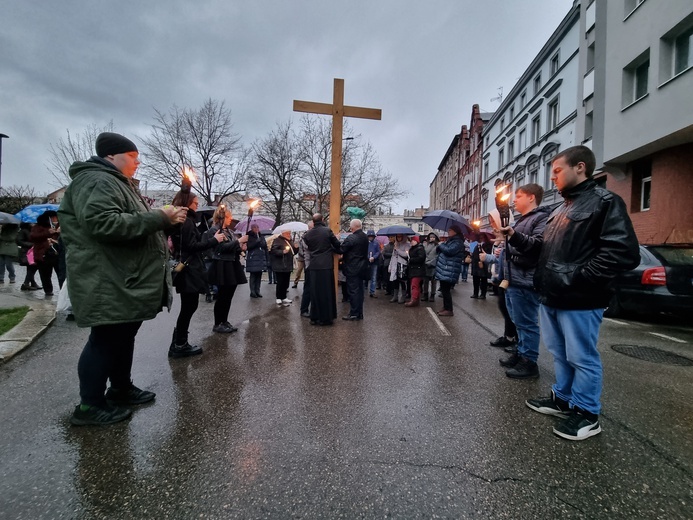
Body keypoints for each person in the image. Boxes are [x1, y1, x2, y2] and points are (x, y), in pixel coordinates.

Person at [59, 131, 188, 426]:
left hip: (122, 279)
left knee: (122, 337)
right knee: (105, 340)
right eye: (132, 156)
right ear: (110, 156)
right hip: (108, 280)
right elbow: (104, 224)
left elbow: (133, 226)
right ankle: (89, 406)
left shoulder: (117, 183)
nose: (137, 162)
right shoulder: (96, 180)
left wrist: (165, 222)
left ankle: (119, 387)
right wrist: (159, 217)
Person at [526, 146, 639, 441]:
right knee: (560, 354)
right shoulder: (560, 208)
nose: (553, 178)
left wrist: (578, 278)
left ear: (580, 167)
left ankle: (587, 413)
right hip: (552, 296)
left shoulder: (605, 201)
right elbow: (544, 250)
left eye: (557, 171)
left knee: (582, 357)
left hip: (579, 299)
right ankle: (563, 399)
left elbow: (623, 252)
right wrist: (514, 238)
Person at [496, 184, 551, 379]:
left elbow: (537, 245)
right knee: (518, 321)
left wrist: (513, 235)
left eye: (518, 196)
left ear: (531, 198)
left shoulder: (542, 218)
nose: (514, 200)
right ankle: (520, 354)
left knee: (527, 323)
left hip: (526, 280)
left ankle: (529, 362)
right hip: (514, 279)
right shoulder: (522, 220)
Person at [169, 189, 225, 357]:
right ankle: (180, 344)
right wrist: (214, 241)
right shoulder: (185, 221)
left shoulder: (187, 221)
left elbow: (192, 242)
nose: (197, 204)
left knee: (189, 306)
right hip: (188, 269)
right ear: (187, 203)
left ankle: (178, 341)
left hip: (189, 268)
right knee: (189, 306)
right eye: (194, 202)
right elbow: (190, 246)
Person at [204, 205, 248, 333]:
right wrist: (238, 241)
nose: (231, 219)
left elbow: (232, 247)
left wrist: (241, 247)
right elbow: (220, 248)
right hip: (222, 265)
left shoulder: (229, 231)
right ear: (222, 217)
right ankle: (218, 323)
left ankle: (224, 320)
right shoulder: (214, 231)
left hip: (232, 264)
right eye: (229, 217)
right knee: (222, 296)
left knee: (229, 295)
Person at [302, 213, 341, 325]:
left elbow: (309, 249)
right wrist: (335, 240)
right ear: (323, 220)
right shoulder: (327, 231)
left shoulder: (307, 235)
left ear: (313, 222)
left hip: (314, 266)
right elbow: (337, 245)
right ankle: (326, 318)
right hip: (326, 265)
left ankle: (315, 317)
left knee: (315, 293)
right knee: (326, 292)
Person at [340, 219, 369, 320]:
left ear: (352, 227)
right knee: (360, 292)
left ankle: (354, 314)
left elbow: (341, 249)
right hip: (362, 267)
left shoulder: (352, 238)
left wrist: (335, 239)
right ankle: (359, 313)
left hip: (353, 267)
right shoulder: (365, 237)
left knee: (353, 292)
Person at [434, 225, 466, 316]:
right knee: (444, 290)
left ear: (455, 231)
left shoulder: (458, 242)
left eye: (450, 230)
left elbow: (449, 251)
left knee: (446, 290)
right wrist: (441, 245)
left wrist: (441, 245)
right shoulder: (451, 241)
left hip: (450, 269)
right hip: (446, 268)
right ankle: (445, 307)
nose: (448, 231)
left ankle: (449, 309)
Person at [29, 211, 61, 295]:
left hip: (56, 253)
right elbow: (33, 237)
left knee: (61, 273)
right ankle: (48, 291)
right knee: (45, 274)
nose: (55, 219)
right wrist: (48, 233)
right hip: (43, 254)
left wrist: (58, 233)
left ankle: (63, 290)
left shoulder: (59, 225)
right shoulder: (38, 227)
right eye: (53, 218)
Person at [270, 229, 295, 305]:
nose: (289, 235)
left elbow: (293, 252)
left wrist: (296, 248)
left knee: (286, 282)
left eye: (290, 233)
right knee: (280, 282)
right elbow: (273, 251)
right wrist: (282, 252)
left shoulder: (290, 241)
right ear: (283, 233)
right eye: (287, 233)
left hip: (288, 265)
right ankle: (278, 297)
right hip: (280, 265)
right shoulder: (277, 240)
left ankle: (284, 296)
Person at [16, 222, 41, 290]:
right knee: (32, 267)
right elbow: (19, 241)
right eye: (32, 223)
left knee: (32, 267)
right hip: (28, 252)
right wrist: (31, 244)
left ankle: (31, 282)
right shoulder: (23, 231)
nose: (33, 224)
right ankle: (26, 284)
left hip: (35, 251)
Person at [245, 223, 267, 298]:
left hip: (260, 258)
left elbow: (265, 246)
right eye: (254, 227)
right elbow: (248, 247)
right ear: (252, 228)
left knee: (259, 275)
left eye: (257, 227)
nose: (256, 229)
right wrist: (256, 242)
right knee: (253, 275)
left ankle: (258, 290)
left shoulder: (261, 236)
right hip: (253, 258)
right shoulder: (249, 236)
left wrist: (261, 242)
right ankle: (252, 291)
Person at [388, 234, 410, 304]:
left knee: (402, 281)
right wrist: (390, 266)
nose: (399, 238)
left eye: (400, 236)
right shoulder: (395, 245)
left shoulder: (407, 245)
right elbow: (393, 256)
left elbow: (406, 254)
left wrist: (398, 249)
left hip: (402, 265)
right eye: (397, 237)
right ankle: (395, 296)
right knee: (395, 281)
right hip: (395, 265)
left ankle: (403, 297)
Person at [405, 235, 426, 307]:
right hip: (414, 269)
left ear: (416, 241)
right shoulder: (414, 248)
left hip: (418, 270)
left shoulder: (420, 248)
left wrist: (411, 260)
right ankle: (416, 300)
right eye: (411, 241)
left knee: (414, 285)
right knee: (415, 285)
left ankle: (414, 300)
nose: (411, 242)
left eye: (413, 240)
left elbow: (421, 258)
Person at [470, 234, 492, 299]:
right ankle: (475, 293)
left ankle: (483, 294)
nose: (481, 239)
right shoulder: (477, 245)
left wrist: (482, 260)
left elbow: (488, 254)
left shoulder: (488, 245)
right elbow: (474, 254)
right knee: (475, 280)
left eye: (482, 237)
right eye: (480, 238)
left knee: (483, 281)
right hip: (476, 265)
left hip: (483, 265)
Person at [422, 232, 439, 302]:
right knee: (425, 281)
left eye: (433, 237)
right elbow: (424, 253)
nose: (432, 238)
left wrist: (432, 262)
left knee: (433, 281)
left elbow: (438, 256)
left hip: (433, 265)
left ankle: (432, 294)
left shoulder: (437, 246)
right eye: (431, 237)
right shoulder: (425, 245)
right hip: (425, 264)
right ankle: (425, 294)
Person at [366, 230, 380, 298]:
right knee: (365, 277)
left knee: (373, 277)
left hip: (374, 262)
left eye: (372, 236)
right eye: (369, 236)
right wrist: (368, 257)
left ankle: (372, 291)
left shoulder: (376, 243)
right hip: (366, 262)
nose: (371, 237)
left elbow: (378, 252)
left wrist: (374, 257)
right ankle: (364, 290)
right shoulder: (365, 243)